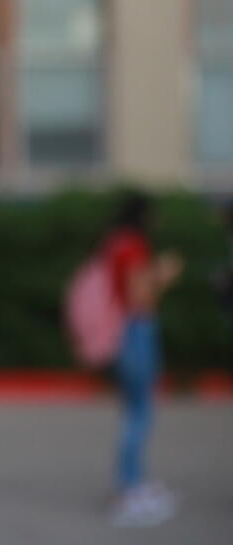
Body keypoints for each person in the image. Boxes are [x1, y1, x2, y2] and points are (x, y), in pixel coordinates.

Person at [104, 192, 182, 527]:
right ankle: (130, 489)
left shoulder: (115, 243)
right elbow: (140, 296)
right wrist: (163, 274)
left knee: (135, 409)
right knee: (139, 411)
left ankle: (135, 483)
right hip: (136, 331)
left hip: (123, 331)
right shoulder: (133, 246)